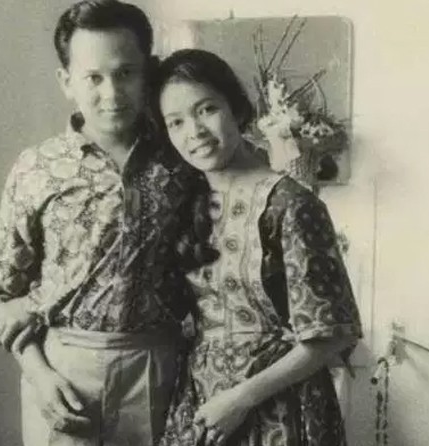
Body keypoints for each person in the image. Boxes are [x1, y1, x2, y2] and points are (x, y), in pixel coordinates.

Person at [0, 2, 204, 445]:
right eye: (93, 78)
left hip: (159, 369)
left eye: (126, 73)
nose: (112, 93)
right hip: (64, 373)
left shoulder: (184, 161)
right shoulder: (36, 168)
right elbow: (0, 302)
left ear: (148, 73)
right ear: (66, 81)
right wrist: (41, 376)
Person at [151, 49, 363, 446]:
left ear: (237, 108)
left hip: (282, 408)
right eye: (176, 122)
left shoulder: (291, 204)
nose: (194, 131)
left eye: (207, 109)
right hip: (202, 402)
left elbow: (331, 333)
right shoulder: (185, 203)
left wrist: (240, 399)